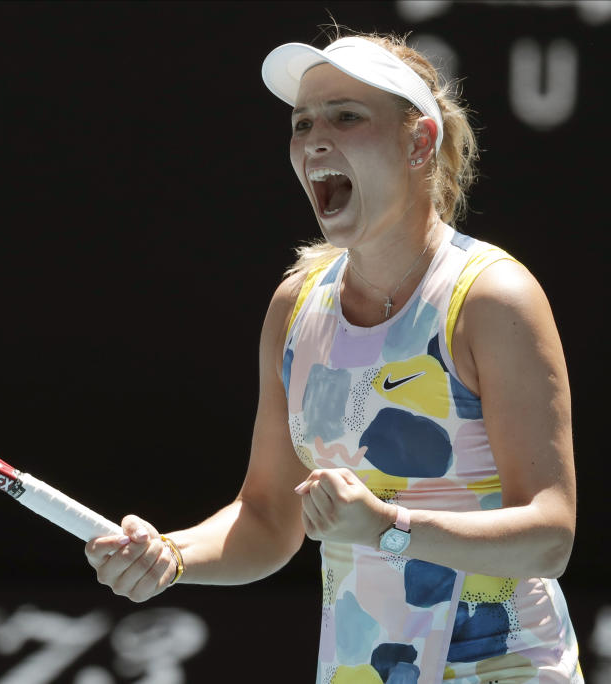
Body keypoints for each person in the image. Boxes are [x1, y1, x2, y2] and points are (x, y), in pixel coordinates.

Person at [84, 31, 582, 683]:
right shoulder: (294, 309)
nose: (315, 138)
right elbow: (266, 519)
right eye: (302, 122)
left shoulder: (493, 298)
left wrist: (388, 527)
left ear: (419, 142)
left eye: (346, 116)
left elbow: (551, 536)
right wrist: (170, 555)